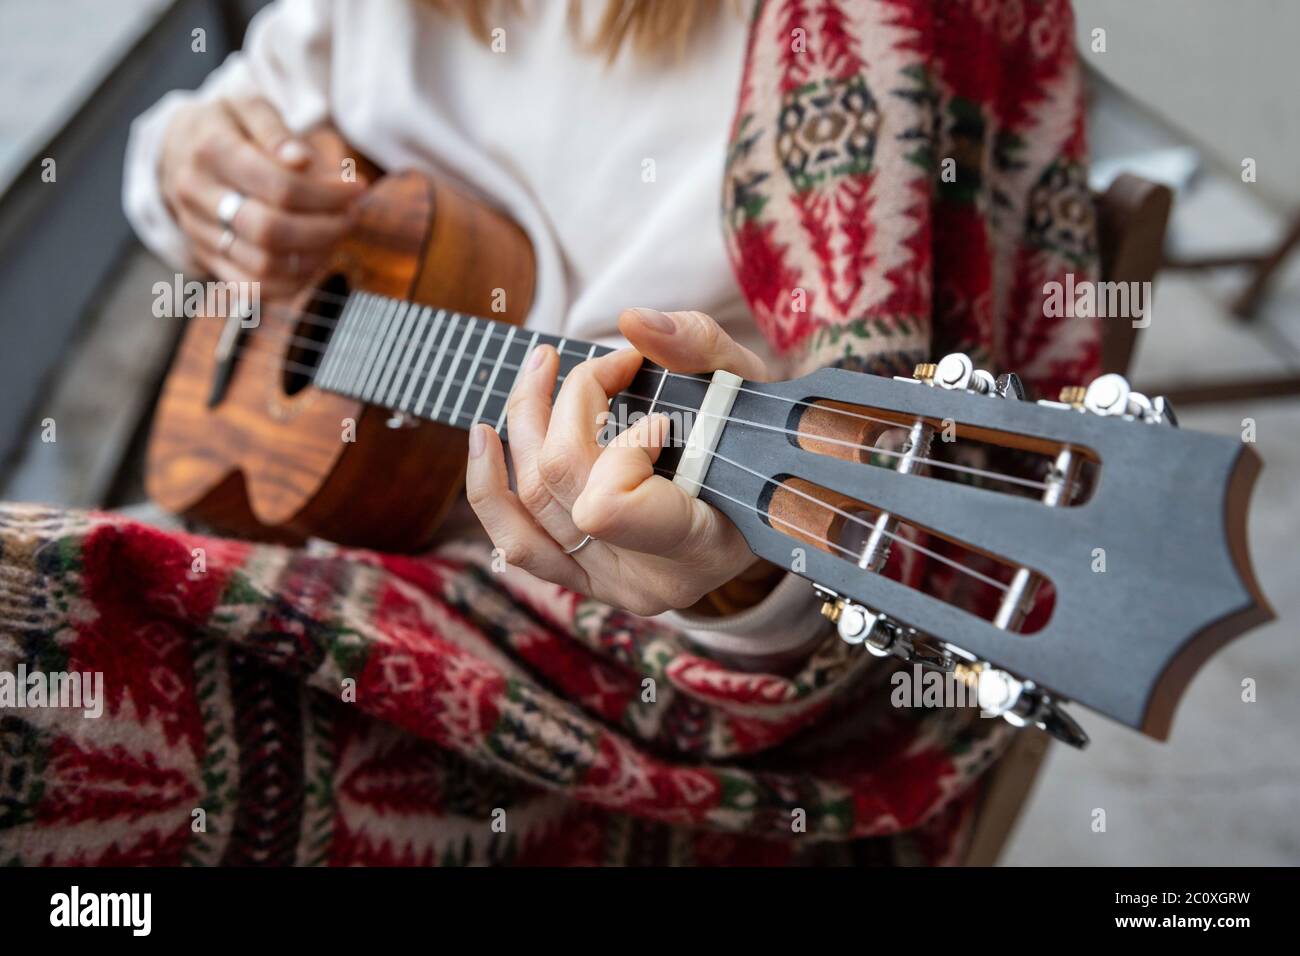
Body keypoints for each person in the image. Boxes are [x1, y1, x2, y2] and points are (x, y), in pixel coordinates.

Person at [1, 0, 1099, 865]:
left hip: (611, 690)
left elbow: (874, 554)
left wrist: (725, 577)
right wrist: (191, 161)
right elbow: (195, 138)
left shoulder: (876, 35)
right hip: (308, 536)